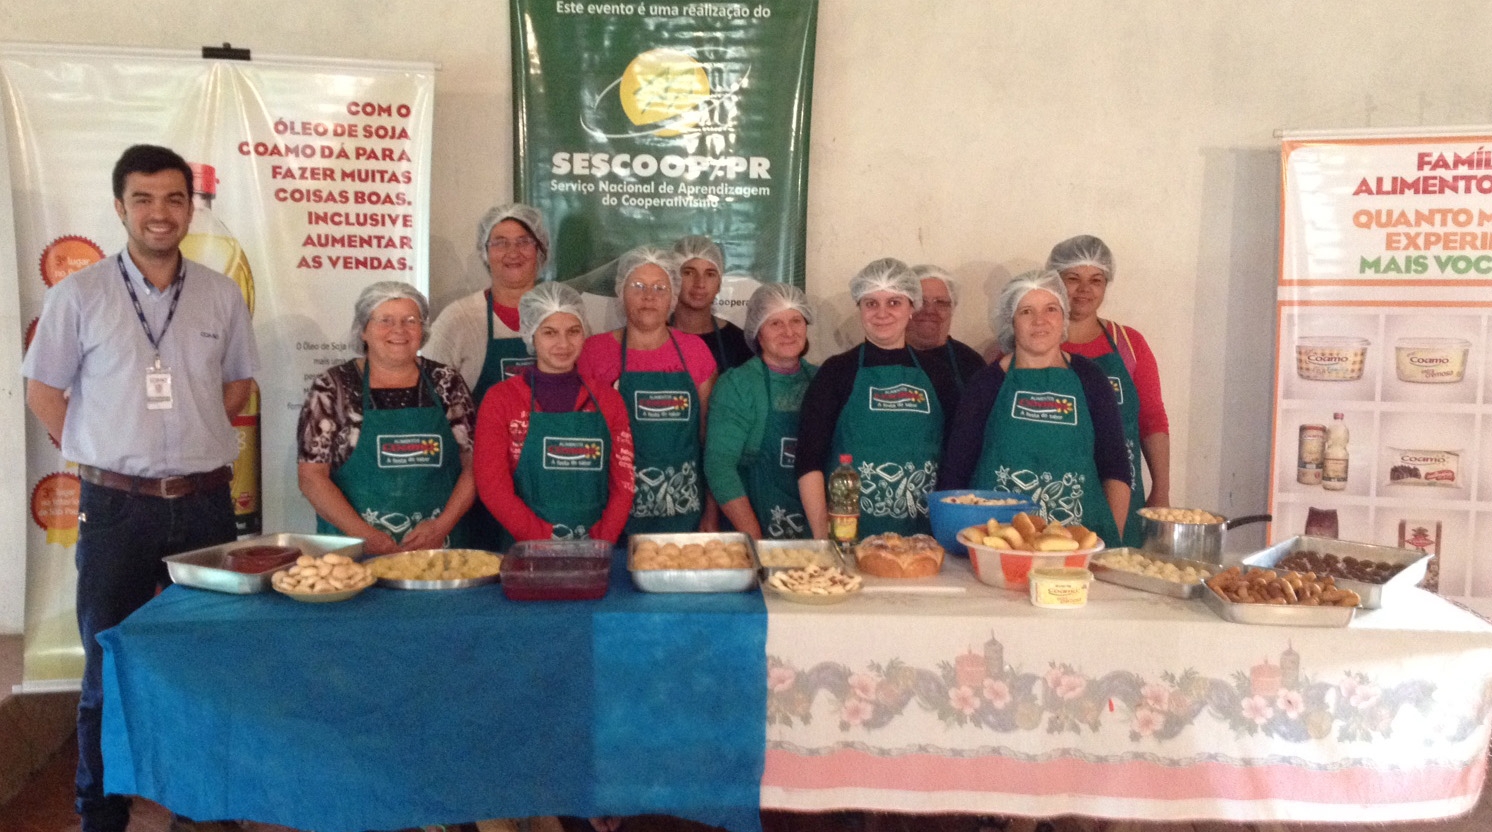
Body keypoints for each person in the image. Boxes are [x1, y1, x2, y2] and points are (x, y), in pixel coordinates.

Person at [23, 144, 259, 832]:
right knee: (109, 663)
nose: (161, 213)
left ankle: (202, 806)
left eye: (174, 199)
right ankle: (100, 811)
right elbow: (43, 392)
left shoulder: (219, 293)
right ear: (120, 207)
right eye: (144, 199)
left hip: (206, 504)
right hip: (117, 509)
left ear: (190, 208)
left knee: (207, 661)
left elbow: (237, 385)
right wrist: (104, 451)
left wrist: (188, 437)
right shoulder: (78, 295)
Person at [938, 270, 1131, 547]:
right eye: (1026, 311)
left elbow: (1115, 468)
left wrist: (1109, 545)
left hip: (1079, 548)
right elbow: (955, 473)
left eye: (1051, 309)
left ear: (1063, 317)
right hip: (1000, 545)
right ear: (1011, 321)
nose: (1040, 321)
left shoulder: (1091, 378)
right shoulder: (986, 384)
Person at [297, 282, 476, 554]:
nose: (399, 330)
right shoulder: (334, 387)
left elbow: (474, 467)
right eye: (385, 320)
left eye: (410, 320)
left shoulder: (446, 382)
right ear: (363, 330)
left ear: (423, 330)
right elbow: (311, 477)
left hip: (437, 551)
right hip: (354, 554)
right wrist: (364, 535)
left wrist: (442, 526)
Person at [795, 258, 961, 538]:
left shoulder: (938, 374)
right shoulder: (836, 372)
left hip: (923, 539)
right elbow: (808, 460)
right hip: (850, 537)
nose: (882, 313)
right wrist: (824, 535)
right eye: (871, 303)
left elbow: (956, 458)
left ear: (912, 307)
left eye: (894, 302)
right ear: (859, 307)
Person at [474, 282, 635, 547]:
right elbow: (492, 487)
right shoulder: (501, 400)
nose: (563, 343)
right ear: (531, 335)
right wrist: (542, 541)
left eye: (573, 331)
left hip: (596, 551)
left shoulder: (608, 400)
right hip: (526, 550)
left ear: (584, 333)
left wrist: (599, 543)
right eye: (549, 332)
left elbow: (624, 485)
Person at [425, 203, 549, 547]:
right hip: (477, 485)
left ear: (540, 250)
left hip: (548, 478)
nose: (513, 252)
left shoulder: (562, 315)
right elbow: (430, 402)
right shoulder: (460, 319)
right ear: (485, 252)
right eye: (500, 242)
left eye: (523, 241)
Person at [578, 246, 718, 535]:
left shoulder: (695, 352)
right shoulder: (594, 352)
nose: (649, 296)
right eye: (638, 286)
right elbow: (582, 441)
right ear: (621, 291)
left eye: (660, 288)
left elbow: (711, 441)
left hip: (685, 512)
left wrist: (712, 513)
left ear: (673, 296)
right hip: (610, 514)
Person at [1048, 235, 1170, 547]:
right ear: (1054, 281)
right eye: (1073, 278)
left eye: (1096, 280)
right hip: (1050, 494)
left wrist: (1161, 489)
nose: (1084, 289)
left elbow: (1152, 419)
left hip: (1121, 496)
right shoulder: (1034, 342)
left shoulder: (1129, 344)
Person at [704, 283, 817, 540]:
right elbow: (719, 466)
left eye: (796, 320)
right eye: (775, 323)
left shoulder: (823, 380)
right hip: (753, 529)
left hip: (813, 535)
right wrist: (754, 539)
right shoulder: (738, 385)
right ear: (758, 332)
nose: (788, 331)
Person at [670, 234, 753, 372]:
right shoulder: (653, 336)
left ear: (719, 284)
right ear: (673, 278)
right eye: (689, 273)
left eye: (710, 274)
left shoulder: (739, 344)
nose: (700, 284)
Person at [907, 263, 985, 393]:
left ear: (952, 308)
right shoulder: (885, 358)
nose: (930, 311)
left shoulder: (970, 362)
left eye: (941, 302)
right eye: (921, 301)